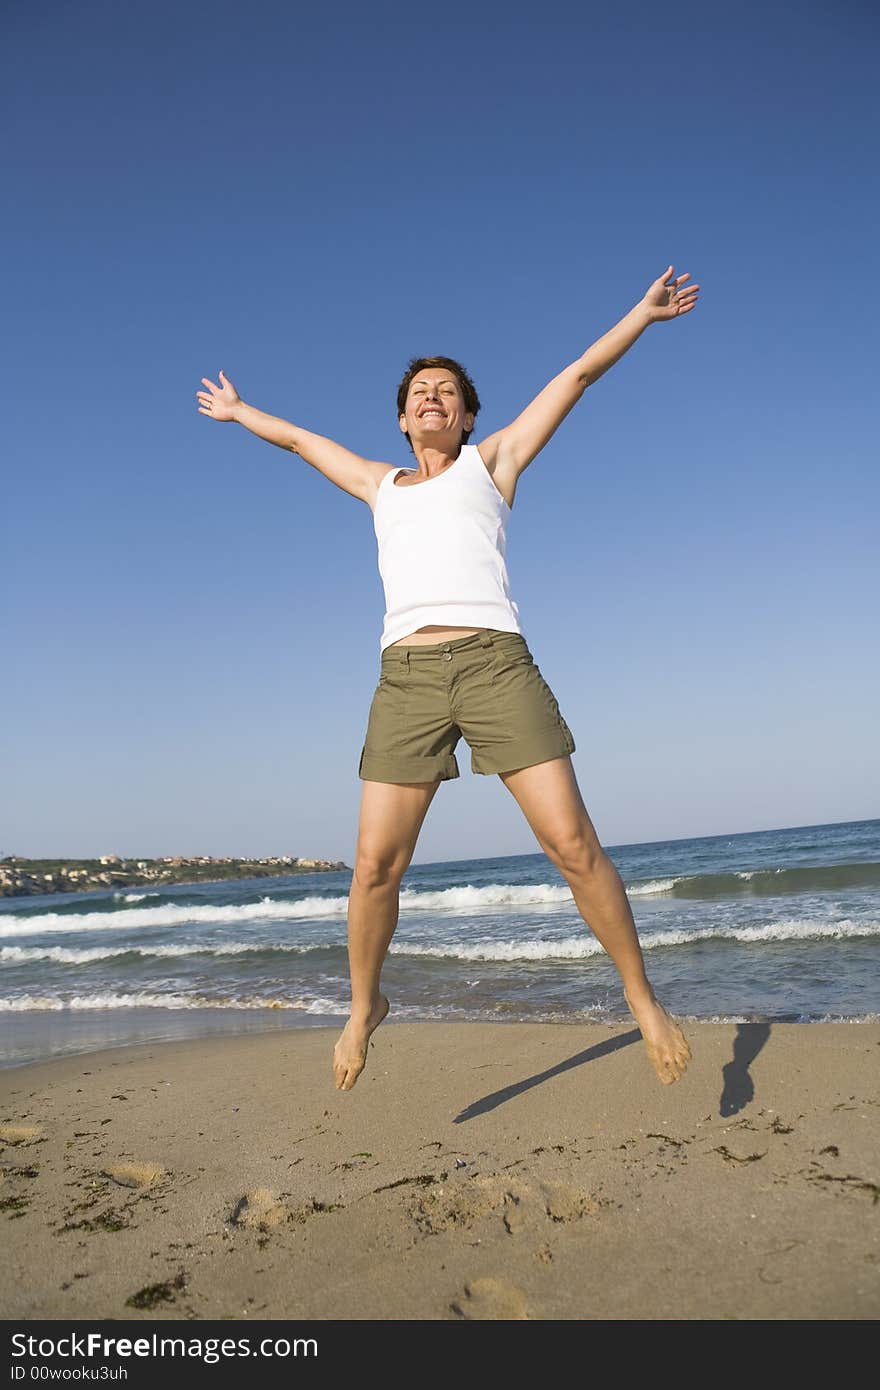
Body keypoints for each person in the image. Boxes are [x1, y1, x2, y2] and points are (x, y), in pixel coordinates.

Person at [196, 263, 700, 1092]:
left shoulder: (491, 465)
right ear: (402, 420)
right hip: (407, 680)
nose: (433, 398)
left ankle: (641, 998)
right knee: (373, 867)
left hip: (497, 663)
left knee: (572, 844)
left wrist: (640, 317)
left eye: (447, 392)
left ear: (466, 416)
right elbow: (296, 440)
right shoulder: (378, 485)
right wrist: (239, 410)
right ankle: (364, 1005)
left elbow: (574, 375)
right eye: (420, 392)